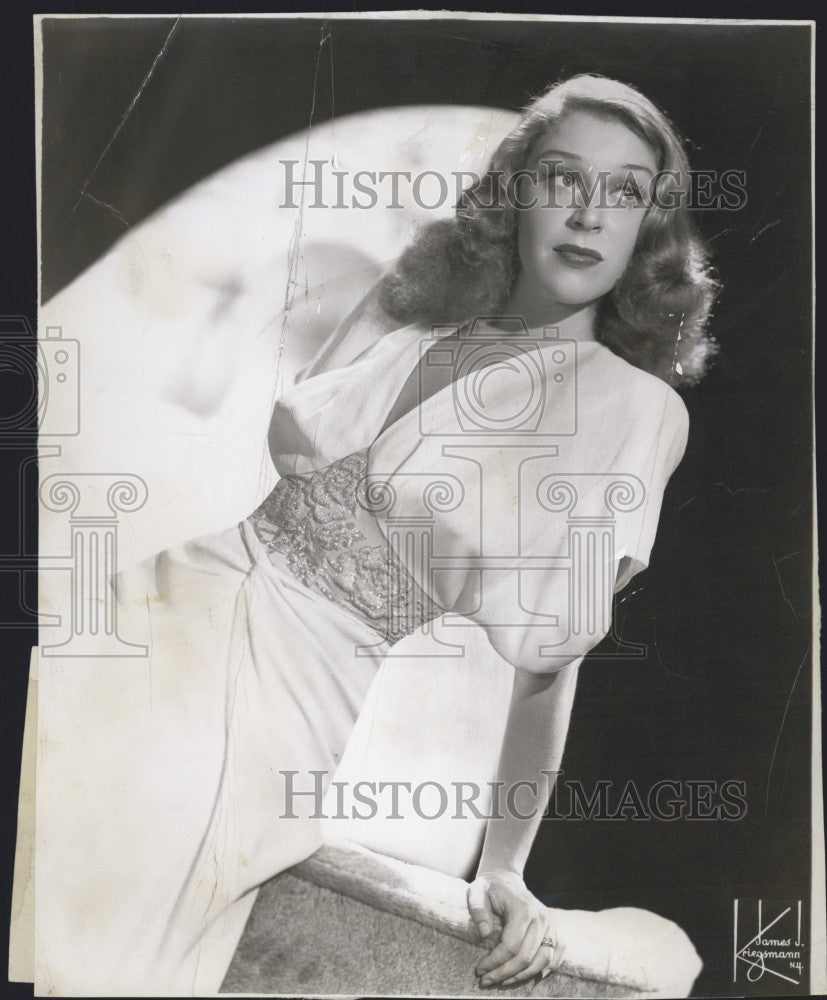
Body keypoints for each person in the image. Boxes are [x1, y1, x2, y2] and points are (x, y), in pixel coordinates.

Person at [36, 74, 718, 995]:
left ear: (649, 229)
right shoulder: (417, 304)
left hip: (284, 701)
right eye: (562, 178)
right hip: (153, 603)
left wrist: (505, 863)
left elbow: (551, 664)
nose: (589, 214)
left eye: (625, 192)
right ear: (517, 190)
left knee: (100, 921)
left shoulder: (632, 411)